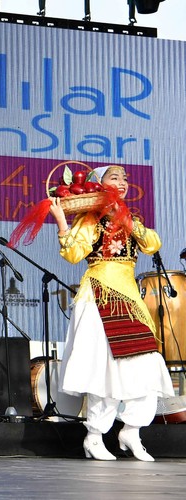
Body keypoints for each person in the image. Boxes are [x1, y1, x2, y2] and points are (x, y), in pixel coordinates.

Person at [49, 164, 174, 461]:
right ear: (98, 184)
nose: (122, 182)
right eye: (114, 178)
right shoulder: (91, 217)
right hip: (99, 294)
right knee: (101, 370)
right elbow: (73, 253)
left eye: (125, 178)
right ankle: (94, 436)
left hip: (129, 297)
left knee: (145, 363)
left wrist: (126, 219)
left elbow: (152, 243)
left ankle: (131, 430)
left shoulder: (131, 218)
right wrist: (60, 222)